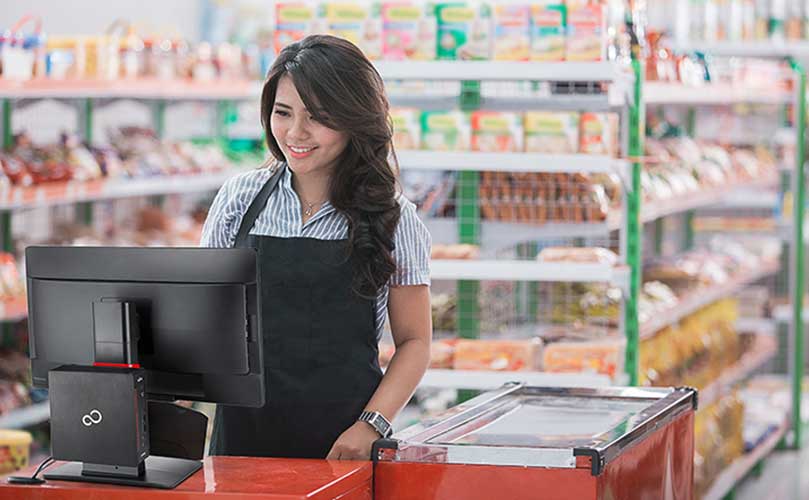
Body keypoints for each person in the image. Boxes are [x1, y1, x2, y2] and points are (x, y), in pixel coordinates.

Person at [200, 34, 432, 460]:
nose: (295, 133)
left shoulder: (395, 218)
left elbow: (416, 342)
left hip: (344, 445)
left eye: (317, 117)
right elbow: (205, 314)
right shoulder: (239, 199)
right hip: (242, 442)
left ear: (354, 120)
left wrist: (370, 426)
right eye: (282, 113)